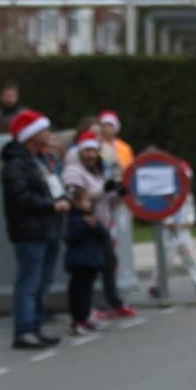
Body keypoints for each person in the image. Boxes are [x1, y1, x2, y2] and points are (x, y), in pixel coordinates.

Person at [1, 109, 68, 349]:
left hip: (48, 227)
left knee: (42, 282)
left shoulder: (39, 160)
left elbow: (52, 187)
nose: (49, 135)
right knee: (29, 282)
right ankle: (24, 329)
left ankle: (36, 326)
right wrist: (51, 205)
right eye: (44, 130)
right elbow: (20, 197)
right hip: (31, 229)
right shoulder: (16, 164)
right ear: (31, 135)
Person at [61, 129, 135, 319]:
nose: (91, 155)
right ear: (80, 152)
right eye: (87, 151)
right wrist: (103, 190)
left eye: (94, 151)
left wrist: (117, 193)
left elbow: (106, 198)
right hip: (84, 225)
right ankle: (84, 312)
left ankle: (111, 302)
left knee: (108, 264)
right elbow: (77, 196)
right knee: (85, 273)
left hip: (100, 226)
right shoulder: (72, 171)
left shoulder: (98, 171)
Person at [96, 110, 140, 307]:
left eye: (111, 125)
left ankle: (122, 278)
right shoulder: (96, 147)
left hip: (121, 199)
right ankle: (109, 286)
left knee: (121, 239)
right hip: (104, 199)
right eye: (104, 124)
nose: (107, 128)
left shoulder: (124, 147)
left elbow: (129, 171)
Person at [150, 169, 196, 299]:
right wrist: (168, 222)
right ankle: (156, 285)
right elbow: (161, 210)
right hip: (168, 232)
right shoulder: (167, 193)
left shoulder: (188, 195)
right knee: (166, 260)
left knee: (191, 258)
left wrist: (189, 221)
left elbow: (190, 210)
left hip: (183, 231)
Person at [63, 187, 111, 335]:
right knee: (79, 293)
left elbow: (104, 235)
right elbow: (71, 238)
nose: (89, 203)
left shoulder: (91, 217)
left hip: (92, 261)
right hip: (79, 262)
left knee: (87, 291)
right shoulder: (73, 219)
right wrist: (85, 225)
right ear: (76, 203)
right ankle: (78, 321)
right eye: (86, 200)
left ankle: (86, 317)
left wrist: (95, 226)